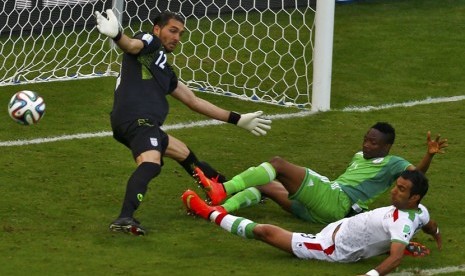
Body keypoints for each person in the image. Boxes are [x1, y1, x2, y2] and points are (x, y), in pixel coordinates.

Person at [94, 10, 272, 235]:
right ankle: (124, 218)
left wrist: (238, 119)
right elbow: (132, 45)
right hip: (136, 119)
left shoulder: (163, 69)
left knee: (186, 155)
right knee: (150, 163)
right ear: (157, 29)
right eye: (172, 30)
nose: (177, 37)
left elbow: (193, 101)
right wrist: (118, 35)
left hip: (139, 121)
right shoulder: (150, 43)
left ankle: (228, 190)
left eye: (180, 33)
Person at [182, 170, 442, 276]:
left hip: (330, 247)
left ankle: (210, 213)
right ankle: (392, 245)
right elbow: (429, 224)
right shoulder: (420, 211)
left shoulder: (401, 224)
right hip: (340, 227)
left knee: (265, 231)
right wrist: (437, 235)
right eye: (396, 186)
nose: (394, 192)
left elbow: (396, 259)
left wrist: (370, 275)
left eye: (401, 190)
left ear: (414, 197)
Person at [193, 122, 447, 224]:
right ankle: (219, 209)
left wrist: (429, 156)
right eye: (366, 139)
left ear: (386, 146)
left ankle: (222, 189)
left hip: (338, 203)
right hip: (319, 209)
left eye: (373, 143)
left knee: (278, 164)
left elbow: (417, 177)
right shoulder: (359, 156)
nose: (366, 145)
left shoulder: (393, 163)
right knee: (266, 183)